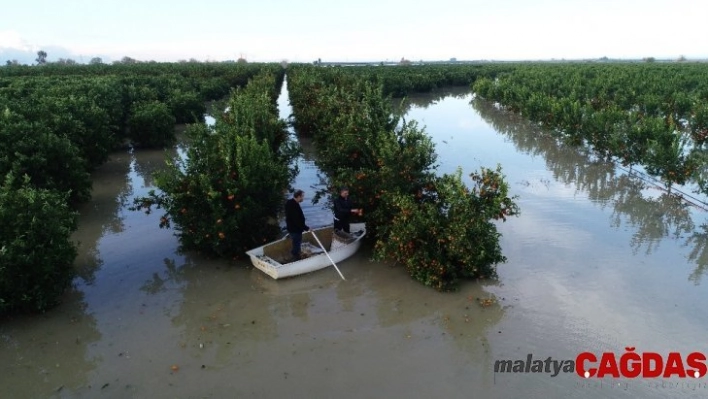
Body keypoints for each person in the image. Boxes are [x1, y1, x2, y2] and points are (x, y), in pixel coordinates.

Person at [285, 190, 310, 261]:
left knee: (296, 243)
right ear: (299, 196)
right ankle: (296, 260)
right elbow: (296, 220)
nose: (303, 198)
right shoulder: (292, 204)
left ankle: (296, 256)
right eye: (302, 196)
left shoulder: (291, 202)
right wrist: (306, 228)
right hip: (295, 229)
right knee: (296, 244)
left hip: (293, 228)